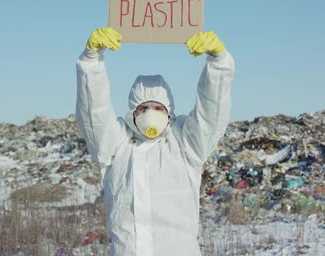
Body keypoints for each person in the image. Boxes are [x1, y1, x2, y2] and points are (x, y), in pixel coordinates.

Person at [75, 27, 234, 255]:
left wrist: (219, 64)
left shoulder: (186, 145)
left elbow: (211, 112)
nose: (151, 114)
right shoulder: (116, 146)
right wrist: (91, 63)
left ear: (169, 112)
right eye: (144, 108)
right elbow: (93, 112)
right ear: (133, 113)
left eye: (159, 108)